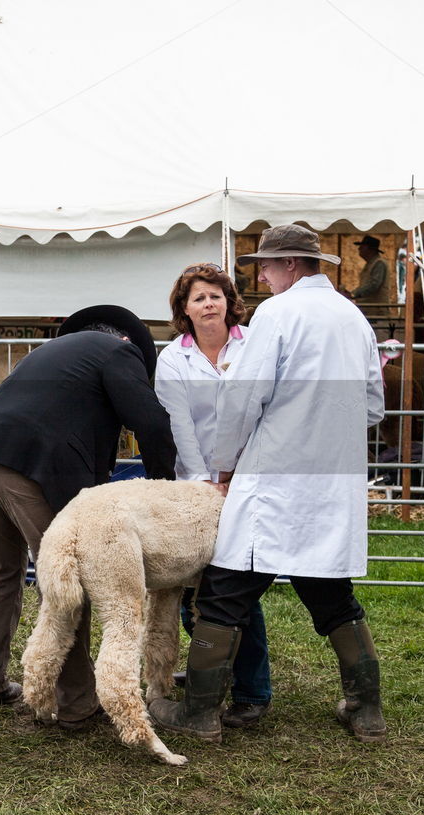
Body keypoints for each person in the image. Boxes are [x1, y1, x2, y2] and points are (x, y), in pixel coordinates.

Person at [149, 224, 387, 745]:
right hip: (331, 484)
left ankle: (199, 711)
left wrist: (227, 464)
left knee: (225, 594)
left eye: (267, 266)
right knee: (334, 598)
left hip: (273, 478)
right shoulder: (354, 317)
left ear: (292, 267)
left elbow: (243, 398)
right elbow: (373, 406)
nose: (262, 275)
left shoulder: (276, 314)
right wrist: (324, 426)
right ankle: (366, 710)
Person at [0, 305, 177, 730]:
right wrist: (165, 486)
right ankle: (77, 703)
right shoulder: (118, 353)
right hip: (32, 466)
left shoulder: (53, 354)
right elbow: (150, 420)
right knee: (67, 582)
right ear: (128, 342)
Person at [153, 262, 272, 727]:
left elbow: (263, 412)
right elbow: (178, 424)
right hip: (197, 486)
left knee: (236, 587)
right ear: (184, 308)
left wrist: (235, 476)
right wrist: (205, 482)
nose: (208, 304)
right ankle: (211, 669)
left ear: (229, 301)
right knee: (192, 587)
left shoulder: (254, 347)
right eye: (198, 297)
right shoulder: (171, 359)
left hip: (248, 479)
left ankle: (252, 690)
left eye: (215, 295)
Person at [351, 235, 390, 304]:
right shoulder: (370, 264)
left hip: (376, 309)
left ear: (370, 249)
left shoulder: (379, 263)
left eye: (362, 246)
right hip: (370, 308)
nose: (359, 248)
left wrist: (354, 294)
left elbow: (373, 285)